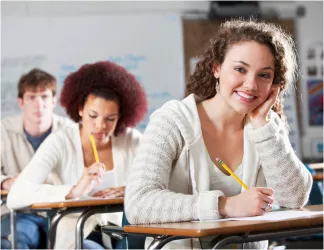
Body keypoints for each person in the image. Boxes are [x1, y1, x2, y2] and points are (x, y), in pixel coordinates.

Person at [125, 19, 313, 249]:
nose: (251, 85)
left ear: (275, 84)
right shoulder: (172, 120)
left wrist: (263, 127)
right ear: (216, 68)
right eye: (240, 69)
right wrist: (225, 206)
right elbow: (138, 205)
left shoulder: (267, 125)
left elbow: (294, 198)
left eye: (264, 75)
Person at [7, 61, 147, 249]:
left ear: (121, 116)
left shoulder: (133, 141)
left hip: (126, 234)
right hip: (79, 235)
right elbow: (16, 195)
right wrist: (74, 191)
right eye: (93, 115)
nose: (100, 126)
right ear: (80, 110)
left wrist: (131, 189)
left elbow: (166, 185)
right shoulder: (60, 142)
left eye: (110, 119)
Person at [1, 68, 74, 249]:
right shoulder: (3, 131)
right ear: (21, 102)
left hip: (63, 212)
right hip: (18, 213)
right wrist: (6, 182)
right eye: (31, 98)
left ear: (54, 101)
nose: (38, 105)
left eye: (44, 97)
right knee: (14, 241)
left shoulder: (70, 131)